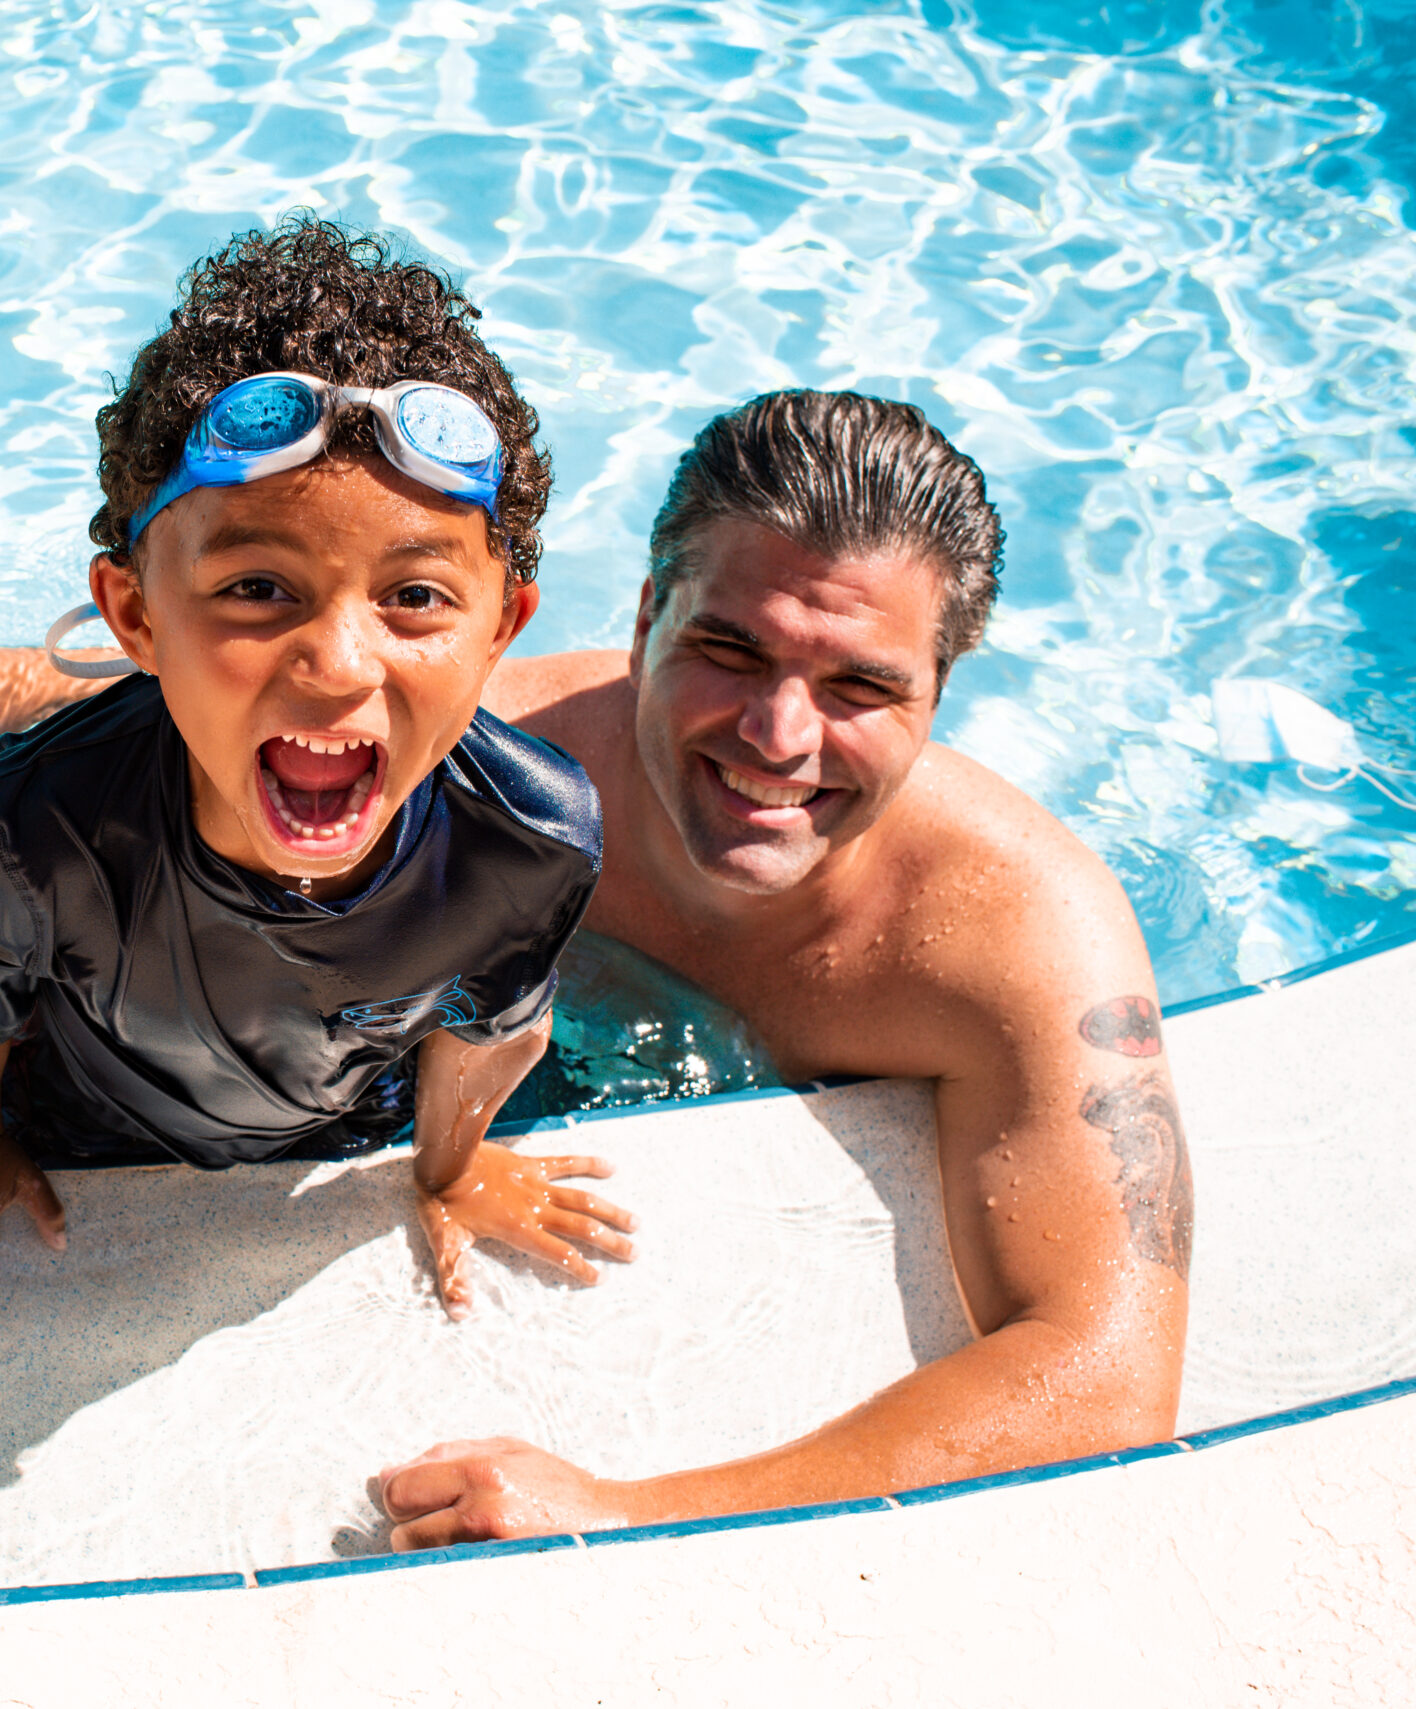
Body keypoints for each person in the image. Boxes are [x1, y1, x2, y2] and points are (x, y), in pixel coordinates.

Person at [371, 389, 1191, 1544]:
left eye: (860, 684)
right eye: (728, 648)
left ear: (938, 692)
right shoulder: (478, 761)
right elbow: (177, 705)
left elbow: (1105, 1377)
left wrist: (629, 1511)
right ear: (648, 613)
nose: (778, 736)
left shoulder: (1014, 928)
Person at [0, 217, 640, 1339]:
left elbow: (493, 1033)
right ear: (133, 614)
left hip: (342, 1125)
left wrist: (446, 1170)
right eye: (258, 588)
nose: (337, 664)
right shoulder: (41, 816)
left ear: (502, 624)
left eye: (414, 596)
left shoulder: (532, 838)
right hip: (89, 1127)